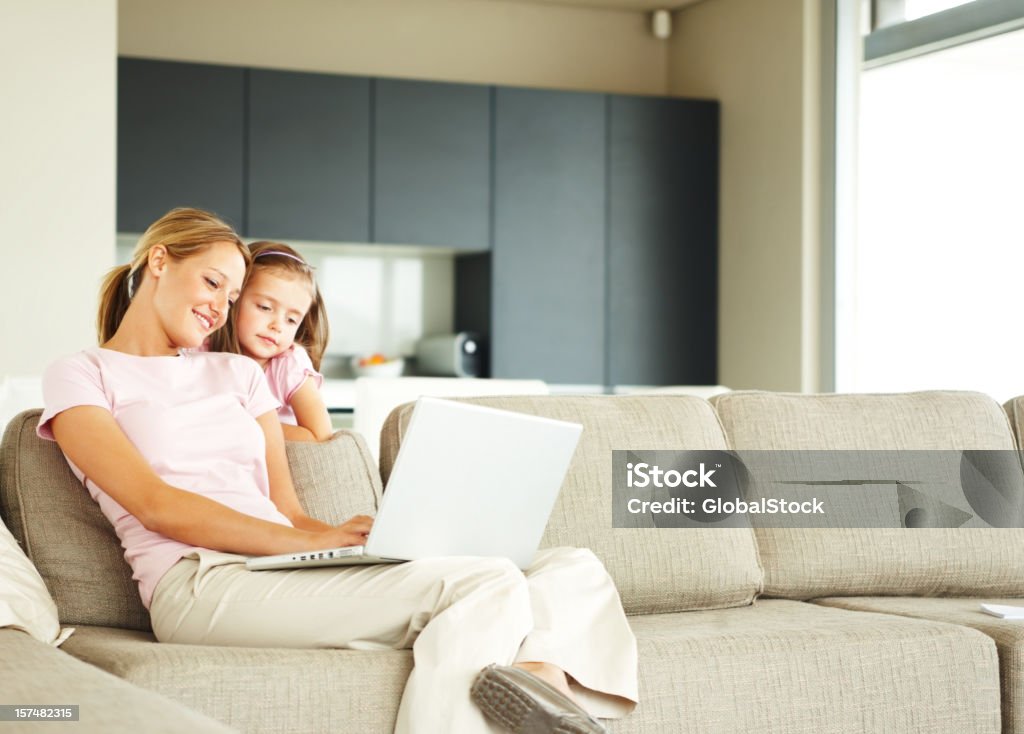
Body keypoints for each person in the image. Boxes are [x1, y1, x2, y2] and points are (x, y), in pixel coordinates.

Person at [37, 207, 638, 734]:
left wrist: (338, 538)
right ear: (159, 261)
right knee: (486, 583)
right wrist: (309, 542)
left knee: (569, 565)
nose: (220, 306)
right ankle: (527, 683)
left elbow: (286, 506)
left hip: (279, 565)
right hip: (199, 583)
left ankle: (536, 677)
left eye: (232, 295)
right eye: (214, 282)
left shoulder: (241, 375)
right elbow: (155, 504)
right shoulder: (82, 374)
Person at [208, 241, 332, 442]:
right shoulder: (203, 350)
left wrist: (242, 423)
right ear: (234, 298)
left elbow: (320, 436)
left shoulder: (289, 363)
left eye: (291, 320)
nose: (277, 325)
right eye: (265, 307)